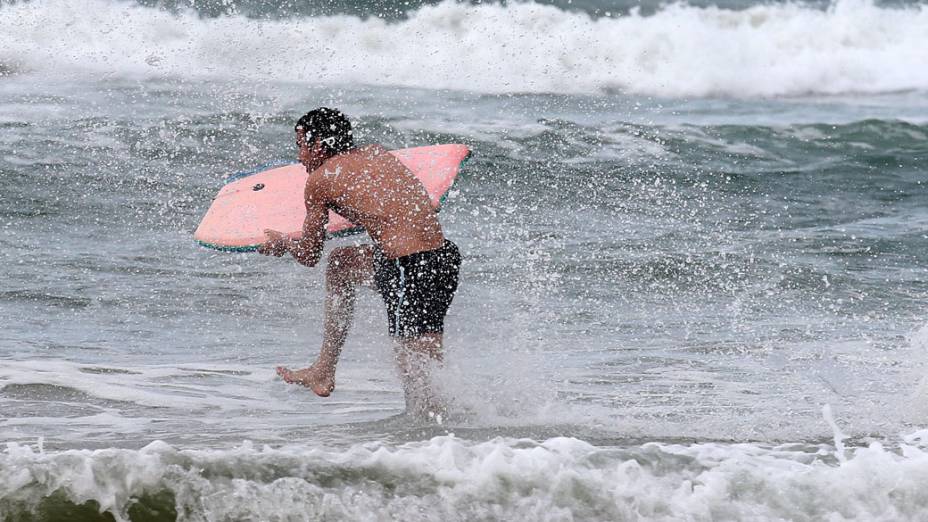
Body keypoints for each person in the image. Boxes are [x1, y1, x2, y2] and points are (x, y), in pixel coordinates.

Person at [258, 108, 461, 417]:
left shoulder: (319, 181)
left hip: (408, 267)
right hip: (442, 258)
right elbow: (388, 208)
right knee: (341, 264)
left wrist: (282, 242)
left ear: (319, 146)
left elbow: (310, 255)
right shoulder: (377, 153)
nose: (299, 157)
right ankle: (324, 369)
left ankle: (440, 445)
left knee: (421, 390)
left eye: (300, 145)